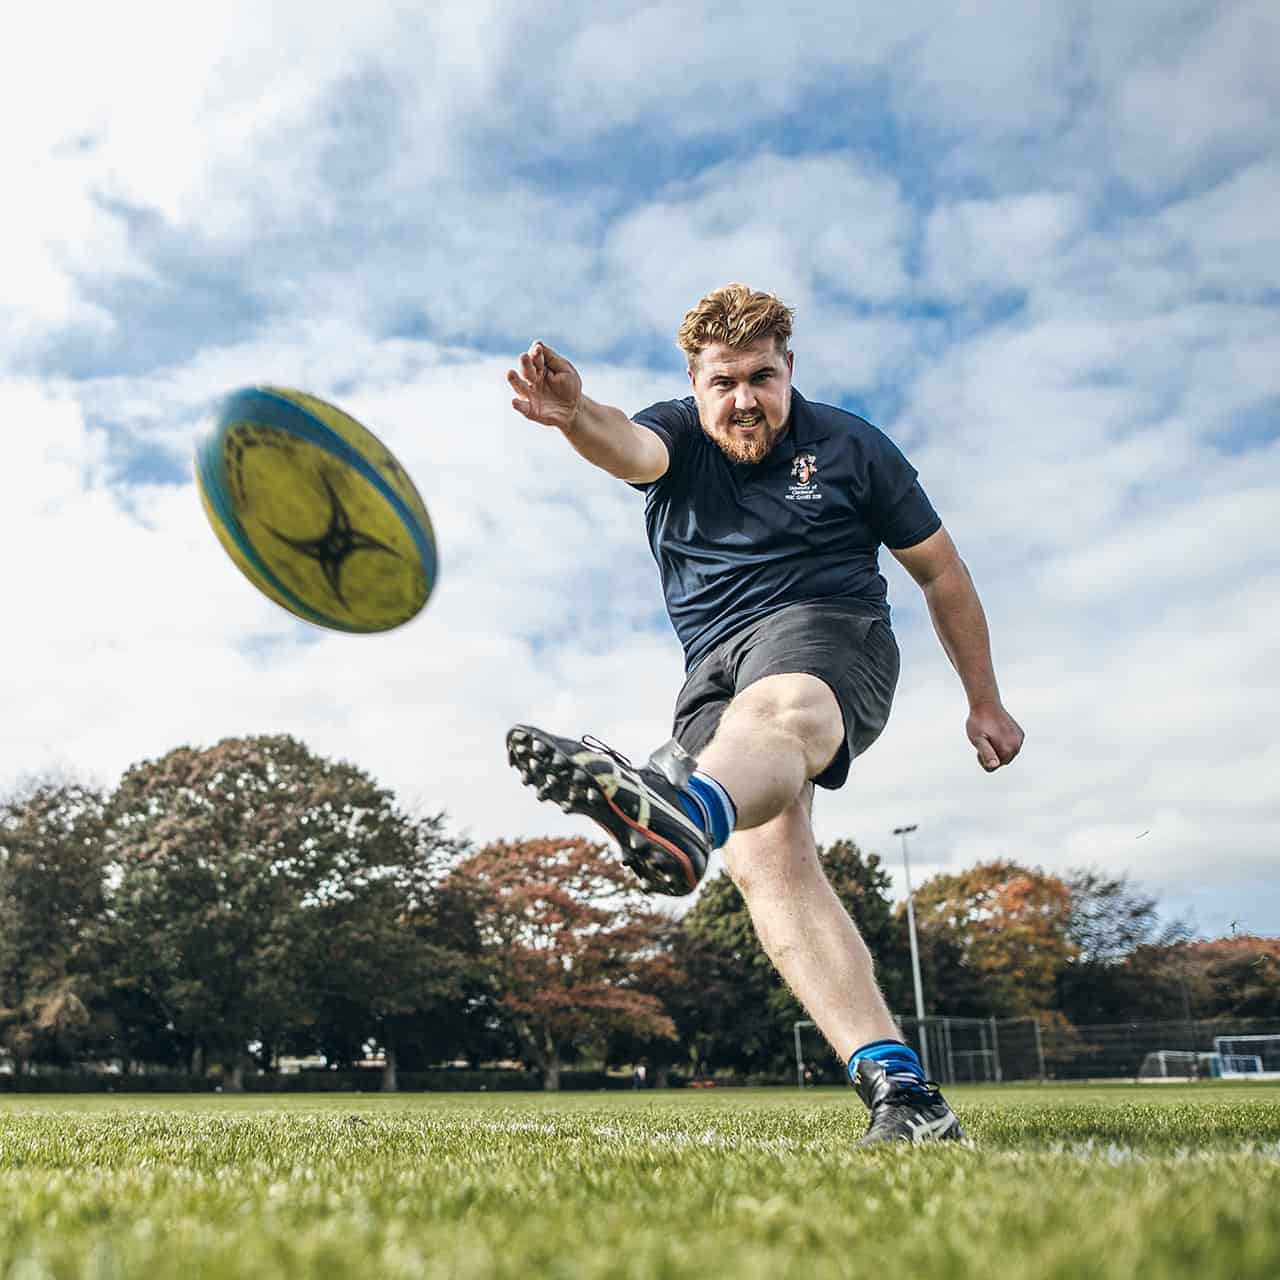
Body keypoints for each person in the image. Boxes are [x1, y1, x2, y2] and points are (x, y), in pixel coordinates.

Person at [504, 284, 1024, 1145]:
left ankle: (686, 809)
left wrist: (984, 699)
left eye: (762, 377)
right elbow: (626, 447)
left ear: (790, 371)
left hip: (829, 627)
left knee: (785, 707)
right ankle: (904, 1093)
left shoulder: (855, 447)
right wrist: (571, 415)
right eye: (724, 381)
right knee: (768, 858)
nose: (745, 398)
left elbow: (942, 572)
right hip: (711, 668)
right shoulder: (673, 431)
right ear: (696, 383)